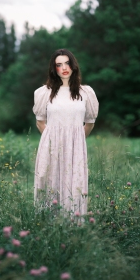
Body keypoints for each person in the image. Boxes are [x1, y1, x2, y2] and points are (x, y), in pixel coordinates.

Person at [33, 48, 99, 215]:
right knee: (49, 182)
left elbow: (89, 123)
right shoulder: (44, 93)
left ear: (73, 65)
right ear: (53, 69)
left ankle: (73, 225)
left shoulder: (86, 93)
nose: (64, 68)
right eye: (59, 65)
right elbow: (40, 122)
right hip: (50, 147)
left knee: (73, 185)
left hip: (76, 149)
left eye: (67, 63)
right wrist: (54, 143)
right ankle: (47, 223)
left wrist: (75, 144)